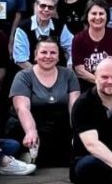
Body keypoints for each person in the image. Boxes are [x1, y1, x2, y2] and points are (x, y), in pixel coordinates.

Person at [9, 39, 81, 167]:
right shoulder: (23, 76)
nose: (48, 56)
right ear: (35, 55)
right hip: (31, 127)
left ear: (59, 57)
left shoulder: (69, 75)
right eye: (44, 52)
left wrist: (77, 133)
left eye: (53, 53)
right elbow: (22, 108)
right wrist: (31, 131)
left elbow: (74, 107)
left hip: (59, 128)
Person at [71, 0, 112, 89]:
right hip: (88, 89)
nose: (97, 17)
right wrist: (102, 82)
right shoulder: (78, 39)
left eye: (101, 14)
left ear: (107, 16)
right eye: (94, 13)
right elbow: (80, 71)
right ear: (87, 16)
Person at [11, 0, 70, 72]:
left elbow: (71, 48)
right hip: (30, 73)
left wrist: (69, 66)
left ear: (54, 9)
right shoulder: (23, 28)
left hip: (57, 73)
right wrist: (42, 74)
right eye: (42, 6)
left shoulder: (60, 25)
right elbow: (21, 60)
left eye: (50, 7)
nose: (46, 10)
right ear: (35, 6)